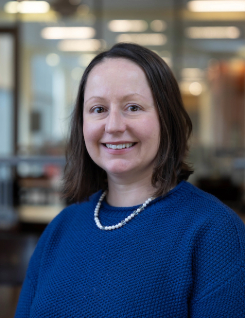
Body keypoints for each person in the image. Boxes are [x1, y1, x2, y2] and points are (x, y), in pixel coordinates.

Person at [15, 43, 245, 317]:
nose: (113, 126)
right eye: (98, 109)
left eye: (133, 107)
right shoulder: (61, 228)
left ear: (166, 118)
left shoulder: (215, 232)